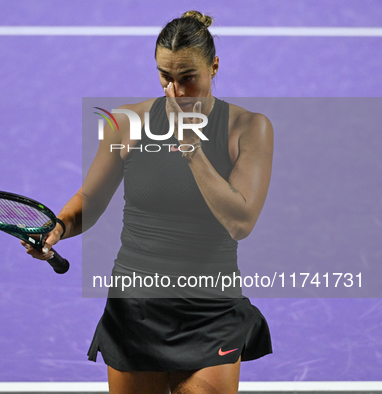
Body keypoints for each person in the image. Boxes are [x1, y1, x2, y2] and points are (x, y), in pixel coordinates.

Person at [23, 10, 273, 394]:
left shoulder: (249, 128)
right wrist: (57, 228)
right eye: (165, 77)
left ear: (214, 67)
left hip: (210, 308)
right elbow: (90, 197)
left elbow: (240, 221)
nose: (175, 91)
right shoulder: (127, 123)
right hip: (135, 306)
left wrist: (193, 152)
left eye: (188, 78)